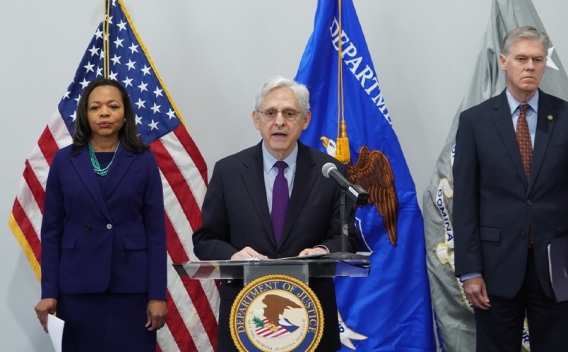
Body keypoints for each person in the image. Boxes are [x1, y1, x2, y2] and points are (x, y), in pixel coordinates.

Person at [192, 76, 358, 351]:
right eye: (270, 113)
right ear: (256, 119)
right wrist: (233, 255)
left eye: (289, 113)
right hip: (246, 316)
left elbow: (346, 238)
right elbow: (205, 239)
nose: (279, 121)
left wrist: (322, 249)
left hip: (310, 314)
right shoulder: (228, 171)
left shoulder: (330, 172)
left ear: (305, 120)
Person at [454, 26, 568, 352]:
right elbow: (464, 201)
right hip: (495, 267)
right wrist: (470, 270)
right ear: (505, 62)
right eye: (522, 58)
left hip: (557, 267)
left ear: (545, 64)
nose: (530, 66)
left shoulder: (565, 116)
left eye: (537, 59)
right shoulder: (475, 122)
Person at [34, 78, 168, 351]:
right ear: (85, 114)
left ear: (125, 113)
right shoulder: (64, 160)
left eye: (113, 106)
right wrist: (49, 292)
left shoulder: (143, 159)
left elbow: (155, 232)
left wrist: (157, 295)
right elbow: (51, 232)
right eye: (95, 107)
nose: (104, 113)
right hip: (76, 288)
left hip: (131, 289)